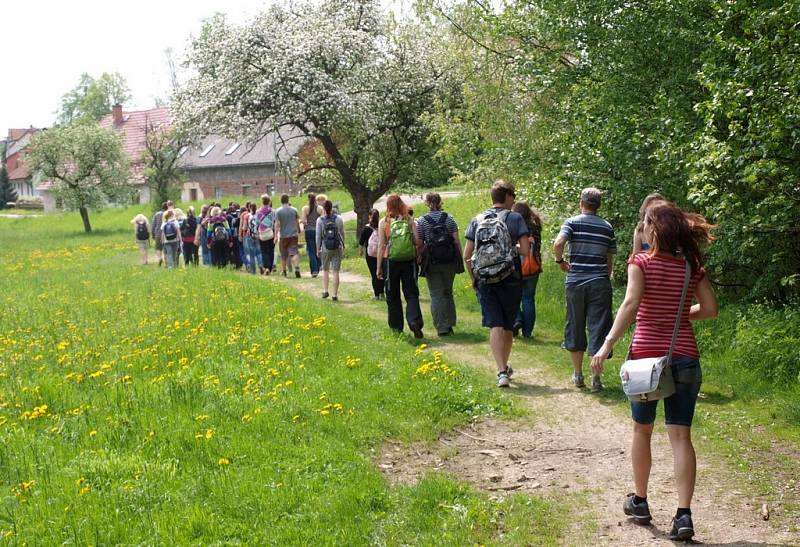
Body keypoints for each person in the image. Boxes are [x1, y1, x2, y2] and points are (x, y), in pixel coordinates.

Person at [590, 200, 717, 542]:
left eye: (646, 222)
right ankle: (684, 514)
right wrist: (677, 315)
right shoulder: (692, 264)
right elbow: (710, 309)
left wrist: (606, 345)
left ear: (654, 228)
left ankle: (641, 501)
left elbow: (631, 304)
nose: (643, 227)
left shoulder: (641, 261)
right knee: (680, 437)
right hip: (686, 357)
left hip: (647, 359)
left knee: (642, 431)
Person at [463, 180, 530, 388]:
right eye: (513, 195)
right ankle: (504, 367)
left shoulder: (477, 219)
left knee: (495, 324)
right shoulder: (516, 218)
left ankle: (501, 370)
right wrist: (511, 249)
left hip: (485, 279)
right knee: (508, 325)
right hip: (511, 278)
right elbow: (526, 251)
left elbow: (467, 255)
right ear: (508, 197)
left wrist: (474, 278)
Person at [553, 187, 617, 392]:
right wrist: (604, 278)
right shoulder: (607, 227)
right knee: (599, 328)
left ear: (582, 202)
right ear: (598, 205)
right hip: (599, 282)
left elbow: (558, 243)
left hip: (575, 282)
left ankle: (578, 374)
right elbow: (609, 259)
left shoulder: (571, 222)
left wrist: (560, 261)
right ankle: (596, 379)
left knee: (575, 325)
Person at [376, 194, 424, 338]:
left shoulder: (384, 222)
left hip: (391, 261)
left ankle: (396, 327)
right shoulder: (409, 220)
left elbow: (381, 245)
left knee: (392, 295)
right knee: (411, 293)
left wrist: (379, 267)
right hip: (409, 261)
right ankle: (414, 320)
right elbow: (417, 241)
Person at [416, 192, 462, 337]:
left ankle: (441, 327)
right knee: (448, 292)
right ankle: (450, 324)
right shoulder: (449, 219)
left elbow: (419, 243)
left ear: (427, 203)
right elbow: (456, 241)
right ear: (440, 202)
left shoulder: (422, 221)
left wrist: (418, 258)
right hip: (449, 261)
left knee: (436, 294)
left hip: (432, 261)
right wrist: (459, 259)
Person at [512, 202, 543, 338]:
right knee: (528, 298)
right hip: (534, 266)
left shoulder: (515, 225)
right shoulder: (535, 226)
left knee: (512, 297)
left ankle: (517, 319)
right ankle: (527, 332)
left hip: (517, 265)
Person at [316, 200, 345, 300]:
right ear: (332, 207)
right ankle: (335, 295)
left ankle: (325, 290)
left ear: (323, 209)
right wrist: (343, 245)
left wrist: (317, 249)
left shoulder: (320, 220)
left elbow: (318, 236)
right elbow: (342, 233)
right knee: (336, 271)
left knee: (325, 270)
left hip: (325, 247)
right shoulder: (339, 219)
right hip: (337, 247)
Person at [359, 209, 385, 299]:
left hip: (370, 254)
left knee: (374, 274)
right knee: (381, 271)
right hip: (381, 252)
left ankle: (376, 295)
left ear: (369, 216)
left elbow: (361, 242)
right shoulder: (381, 226)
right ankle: (382, 293)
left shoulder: (366, 228)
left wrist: (361, 251)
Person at [274, 194, 302, 277]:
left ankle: (284, 271)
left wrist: (276, 235)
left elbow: (277, 224)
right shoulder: (294, 210)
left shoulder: (278, 211)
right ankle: (296, 267)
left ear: (281, 201)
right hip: (293, 235)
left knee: (284, 254)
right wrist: (299, 230)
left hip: (283, 236)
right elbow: (297, 221)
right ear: (288, 200)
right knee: (294, 252)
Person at [301, 193, 324, 277]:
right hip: (318, 231)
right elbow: (322, 220)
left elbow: (303, 220)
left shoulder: (305, 208)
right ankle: (319, 265)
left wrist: (303, 222)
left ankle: (314, 270)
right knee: (318, 248)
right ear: (315, 199)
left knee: (311, 251)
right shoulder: (320, 208)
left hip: (309, 231)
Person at [255, 195, 276, 275]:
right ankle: (270, 268)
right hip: (270, 232)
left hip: (262, 233)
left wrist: (256, 232)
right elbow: (275, 222)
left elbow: (256, 223)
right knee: (271, 250)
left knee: (264, 251)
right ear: (269, 202)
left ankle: (266, 266)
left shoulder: (258, 211)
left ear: (262, 201)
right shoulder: (273, 211)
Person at [151, 202, 168, 266]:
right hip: (166, 234)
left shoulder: (157, 214)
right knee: (165, 249)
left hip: (158, 234)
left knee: (158, 248)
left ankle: (160, 258)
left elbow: (153, 225)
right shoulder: (169, 214)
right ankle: (166, 263)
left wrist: (153, 234)